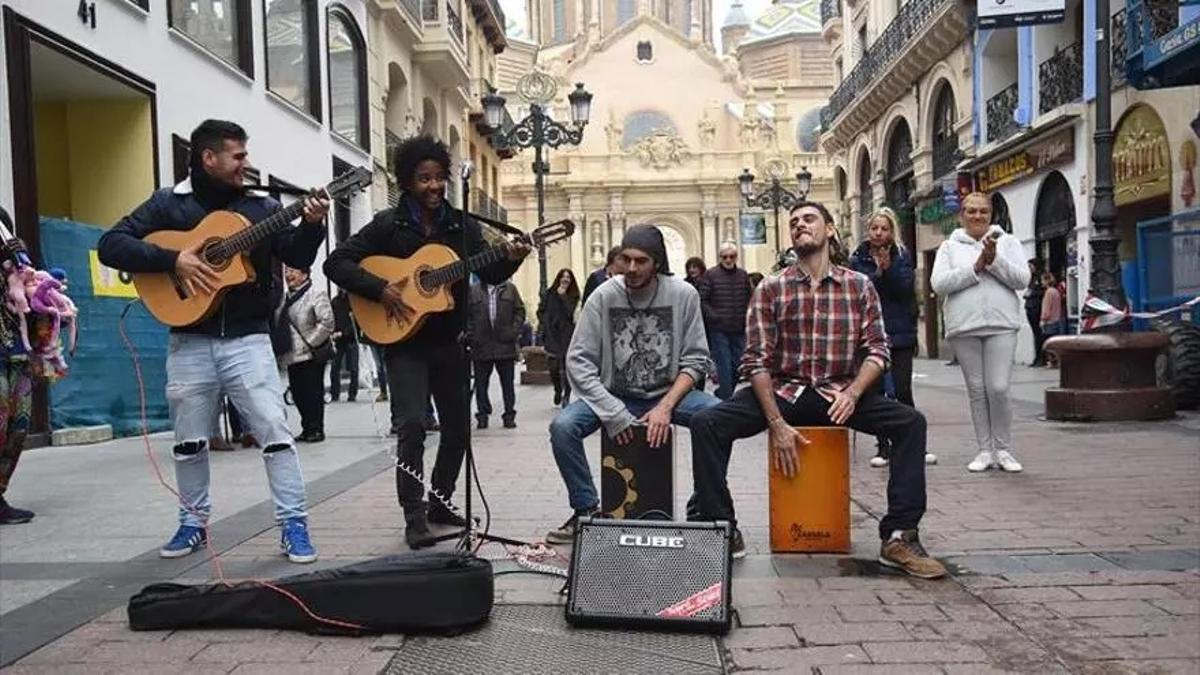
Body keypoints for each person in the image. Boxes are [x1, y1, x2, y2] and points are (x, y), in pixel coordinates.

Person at [97, 119, 327, 562]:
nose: (246, 163)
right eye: (237, 156)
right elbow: (111, 244)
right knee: (188, 441)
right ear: (208, 158)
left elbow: (296, 255)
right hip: (189, 339)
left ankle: (294, 524)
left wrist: (313, 225)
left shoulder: (263, 207)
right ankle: (192, 523)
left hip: (248, 337)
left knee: (275, 431)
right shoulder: (169, 204)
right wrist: (173, 259)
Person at [689, 202, 945, 578]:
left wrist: (854, 393)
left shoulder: (858, 286)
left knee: (910, 423)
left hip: (838, 394)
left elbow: (878, 350)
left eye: (808, 219)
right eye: (793, 222)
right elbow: (755, 361)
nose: (799, 225)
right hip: (782, 393)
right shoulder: (771, 288)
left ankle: (899, 536)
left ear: (829, 229)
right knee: (707, 424)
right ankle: (722, 528)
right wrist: (775, 423)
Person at [324, 135, 530, 549]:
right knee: (413, 426)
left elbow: (490, 273)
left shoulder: (462, 226)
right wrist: (380, 289)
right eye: (424, 178)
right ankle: (413, 514)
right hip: (405, 345)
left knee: (458, 429)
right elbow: (336, 262)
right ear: (407, 182)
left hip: (450, 342)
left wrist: (513, 256)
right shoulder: (388, 225)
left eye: (439, 178)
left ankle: (440, 500)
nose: (434, 186)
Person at [545, 225, 720, 544]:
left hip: (669, 396)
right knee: (563, 427)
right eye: (626, 259)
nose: (631, 268)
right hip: (614, 394)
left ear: (657, 263)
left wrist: (665, 407)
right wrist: (612, 411)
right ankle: (585, 510)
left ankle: (704, 507)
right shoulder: (603, 295)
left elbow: (696, 360)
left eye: (641, 261)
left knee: (719, 418)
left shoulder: (684, 294)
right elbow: (578, 361)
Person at [931, 191, 1030, 474]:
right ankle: (985, 450)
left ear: (991, 214)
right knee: (977, 390)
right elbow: (939, 284)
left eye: (983, 211)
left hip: (1001, 324)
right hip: (965, 326)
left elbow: (1022, 279)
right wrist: (975, 267)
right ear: (962, 215)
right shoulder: (949, 247)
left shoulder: (1008, 242)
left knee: (998, 388)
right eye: (971, 211)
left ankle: (1004, 449)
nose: (977, 216)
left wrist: (994, 260)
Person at [850, 208, 936, 467]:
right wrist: (878, 273)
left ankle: (913, 445)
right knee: (875, 393)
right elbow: (859, 292)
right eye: (874, 228)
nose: (879, 233)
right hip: (871, 335)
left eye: (884, 228)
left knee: (902, 390)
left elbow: (904, 288)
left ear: (892, 231)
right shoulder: (858, 258)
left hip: (899, 333)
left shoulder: (901, 255)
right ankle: (883, 447)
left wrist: (888, 270)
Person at [276, 266, 334, 443]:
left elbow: (327, 322)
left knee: (313, 392)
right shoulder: (283, 298)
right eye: (286, 271)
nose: (288, 275)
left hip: (311, 354)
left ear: (305, 274)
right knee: (298, 393)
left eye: (293, 271)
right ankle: (306, 427)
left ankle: (316, 429)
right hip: (291, 355)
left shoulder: (316, 294)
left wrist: (311, 342)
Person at [469, 279, 525, 429]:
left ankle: (509, 415)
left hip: (504, 345)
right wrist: (472, 335)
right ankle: (482, 415)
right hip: (482, 345)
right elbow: (467, 315)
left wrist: (513, 331)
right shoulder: (473, 291)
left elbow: (520, 311)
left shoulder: (510, 289)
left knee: (507, 384)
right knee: (481, 385)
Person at [700, 243, 752, 400]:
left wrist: (747, 318)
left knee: (738, 365)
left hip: (739, 328)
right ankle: (726, 399)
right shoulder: (711, 275)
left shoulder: (743, 275)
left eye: (732, 256)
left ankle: (723, 393)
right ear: (720, 257)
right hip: (719, 329)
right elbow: (702, 300)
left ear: (736, 257)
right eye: (725, 257)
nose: (728, 260)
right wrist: (714, 317)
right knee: (724, 366)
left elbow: (749, 298)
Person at [540, 268, 580, 407]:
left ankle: (566, 395)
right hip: (552, 334)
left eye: (568, 277)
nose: (565, 279)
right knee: (553, 367)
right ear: (558, 278)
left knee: (567, 367)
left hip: (567, 335)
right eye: (563, 276)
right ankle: (557, 389)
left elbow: (570, 313)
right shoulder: (549, 293)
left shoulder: (574, 295)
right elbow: (541, 311)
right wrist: (545, 324)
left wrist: (563, 296)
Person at [329, 290, 360, 402]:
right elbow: (331, 319)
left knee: (353, 368)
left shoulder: (353, 301)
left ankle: (352, 394)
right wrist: (332, 332)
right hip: (338, 340)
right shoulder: (335, 301)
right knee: (334, 367)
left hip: (351, 339)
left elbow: (356, 322)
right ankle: (334, 393)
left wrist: (344, 333)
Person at [1040, 270, 1066, 367]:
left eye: (1042, 280)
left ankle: (1051, 361)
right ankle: (1057, 361)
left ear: (1046, 281)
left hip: (1049, 321)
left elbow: (1046, 308)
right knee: (1055, 344)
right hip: (1057, 319)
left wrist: (1043, 320)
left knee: (1048, 344)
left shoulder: (1048, 292)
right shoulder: (1056, 291)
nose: (1041, 282)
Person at [1025, 259, 1046, 367]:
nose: (1029, 268)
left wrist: (1032, 294)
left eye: (1031, 266)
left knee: (1039, 334)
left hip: (1036, 308)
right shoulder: (1031, 278)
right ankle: (1037, 357)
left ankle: (1041, 357)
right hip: (1030, 307)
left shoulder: (1040, 277)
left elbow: (1043, 291)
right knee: (1035, 334)